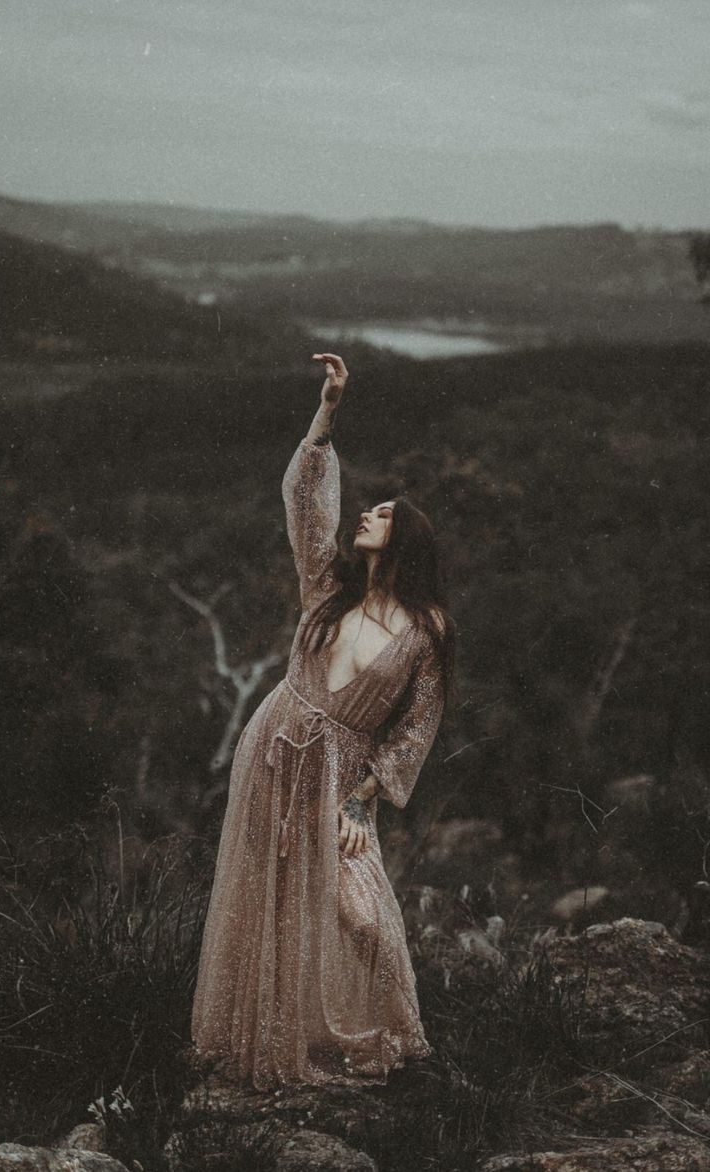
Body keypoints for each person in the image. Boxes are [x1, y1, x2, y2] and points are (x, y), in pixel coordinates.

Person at [191, 353, 456, 1089]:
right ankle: (263, 1050)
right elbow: (307, 499)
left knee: (359, 913)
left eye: (381, 515)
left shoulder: (426, 628)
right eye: (368, 511)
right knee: (265, 896)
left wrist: (366, 798)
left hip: (340, 774)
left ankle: (378, 1046)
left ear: (406, 540)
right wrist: (328, 410)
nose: (366, 516)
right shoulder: (328, 587)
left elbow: (415, 725)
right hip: (274, 745)